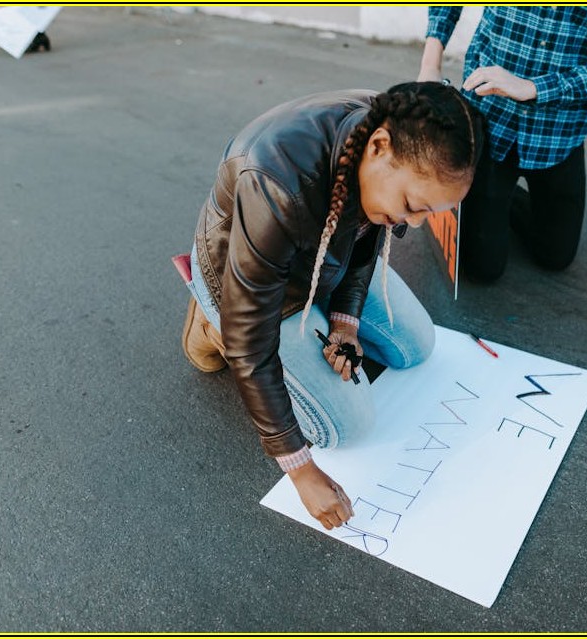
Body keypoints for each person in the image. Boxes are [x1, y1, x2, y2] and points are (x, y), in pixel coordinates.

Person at [180, 82, 483, 530]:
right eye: (412, 206)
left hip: (325, 260)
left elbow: (365, 236)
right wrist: (299, 468)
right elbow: (250, 334)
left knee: (416, 346)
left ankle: (317, 321)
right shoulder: (276, 181)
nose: (415, 224)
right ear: (379, 148)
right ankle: (208, 325)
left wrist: (345, 324)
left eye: (430, 212)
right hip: (250, 287)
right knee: (346, 428)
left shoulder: (385, 136)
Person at [418, 6, 587, 282]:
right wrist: (430, 66)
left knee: (555, 257)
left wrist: (535, 88)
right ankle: (482, 193)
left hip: (560, 134)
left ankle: (496, 197)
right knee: (481, 270)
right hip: (491, 119)